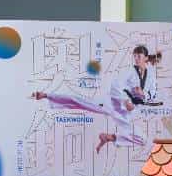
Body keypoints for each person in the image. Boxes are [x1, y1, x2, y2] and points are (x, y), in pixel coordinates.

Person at [32, 45, 161, 153]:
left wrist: (143, 94)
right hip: (112, 103)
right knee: (80, 101)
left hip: (127, 113)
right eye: (135, 56)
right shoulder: (129, 71)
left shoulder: (151, 76)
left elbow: (153, 93)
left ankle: (110, 138)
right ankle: (46, 95)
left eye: (139, 56)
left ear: (145, 57)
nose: (136, 59)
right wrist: (126, 100)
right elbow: (116, 86)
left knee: (142, 139)